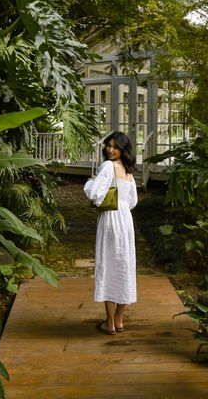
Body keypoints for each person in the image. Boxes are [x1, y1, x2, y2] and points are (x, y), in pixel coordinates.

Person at [84, 131, 137, 335]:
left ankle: (109, 323)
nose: (110, 149)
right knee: (124, 265)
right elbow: (132, 202)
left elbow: (95, 194)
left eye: (115, 147)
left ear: (123, 149)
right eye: (109, 145)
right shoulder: (129, 171)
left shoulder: (107, 166)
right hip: (125, 220)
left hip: (110, 219)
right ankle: (119, 320)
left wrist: (90, 182)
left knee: (108, 265)